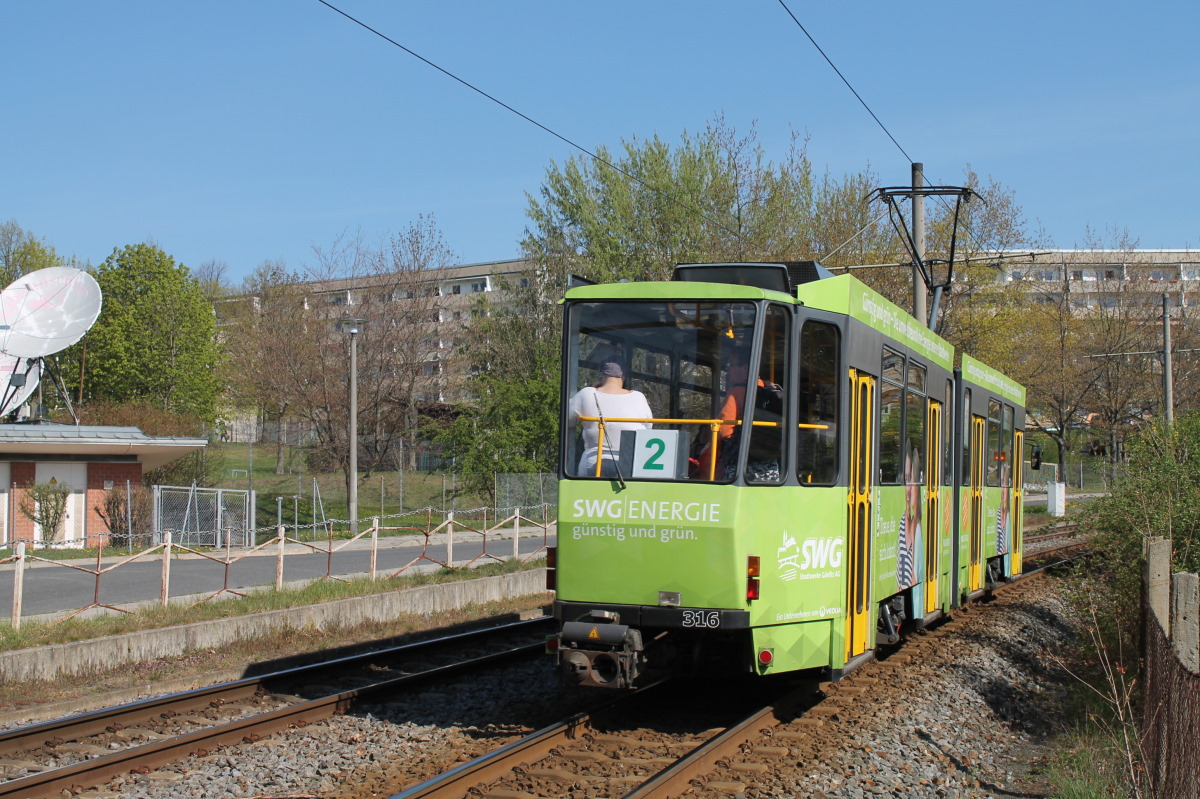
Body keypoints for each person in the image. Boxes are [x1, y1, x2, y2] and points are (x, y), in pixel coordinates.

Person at [567, 361, 653, 477]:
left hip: (593, 462)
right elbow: (648, 429)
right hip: (629, 466)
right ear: (623, 376)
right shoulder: (639, 397)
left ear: (603, 375)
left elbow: (568, 420)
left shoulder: (586, 393)